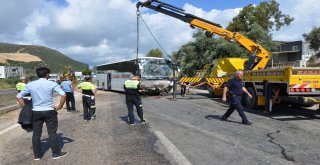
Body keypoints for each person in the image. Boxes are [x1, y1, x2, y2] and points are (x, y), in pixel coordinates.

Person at [16, 67, 67, 160]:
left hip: (36, 112)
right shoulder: (52, 83)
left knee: (36, 134)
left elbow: (19, 96)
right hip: (49, 111)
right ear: (47, 74)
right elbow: (63, 94)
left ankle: (37, 155)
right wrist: (60, 106)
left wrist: (25, 107)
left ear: (37, 74)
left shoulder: (31, 84)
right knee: (52, 133)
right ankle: (56, 153)